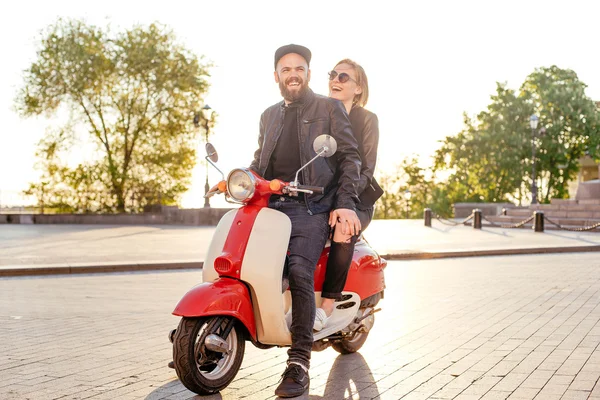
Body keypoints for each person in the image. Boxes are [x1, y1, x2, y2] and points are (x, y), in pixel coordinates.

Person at [249, 44, 362, 398]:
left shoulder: (328, 109)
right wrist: (238, 179)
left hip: (311, 206)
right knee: (243, 262)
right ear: (277, 76)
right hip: (270, 205)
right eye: (286, 69)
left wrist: (344, 204)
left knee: (298, 269)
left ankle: (298, 361)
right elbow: (259, 162)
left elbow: (349, 158)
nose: (293, 74)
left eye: (299, 68)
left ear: (309, 74)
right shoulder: (268, 115)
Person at [313, 59, 381, 331]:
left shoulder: (366, 119)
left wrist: (344, 203)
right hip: (319, 197)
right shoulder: (318, 117)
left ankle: (326, 306)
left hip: (357, 199)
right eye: (332, 74)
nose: (336, 80)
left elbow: (365, 167)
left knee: (343, 226)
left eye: (344, 76)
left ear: (358, 88)